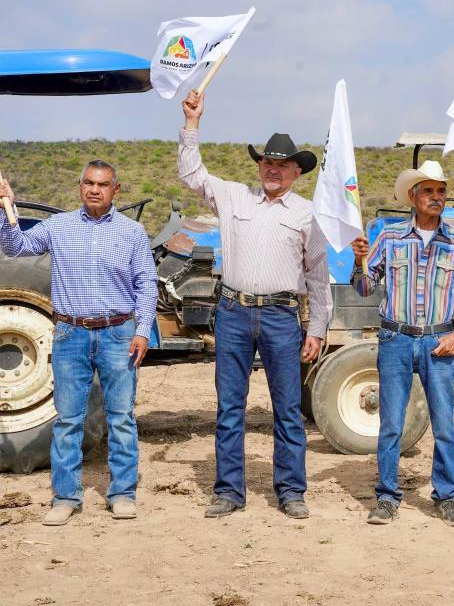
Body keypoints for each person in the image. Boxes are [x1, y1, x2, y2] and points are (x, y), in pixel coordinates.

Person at [179, 90, 331, 520]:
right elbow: (191, 173)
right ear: (259, 165)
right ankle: (229, 491)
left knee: (286, 408)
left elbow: (318, 279)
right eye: (267, 162)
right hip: (233, 312)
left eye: (282, 165)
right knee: (230, 406)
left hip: (282, 317)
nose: (273, 170)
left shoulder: (307, 215)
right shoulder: (232, 197)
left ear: (296, 172)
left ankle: (291, 491)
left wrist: (317, 329)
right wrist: (192, 123)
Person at [0, 161, 156, 525]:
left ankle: (122, 494)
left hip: (118, 334)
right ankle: (66, 498)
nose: (94, 189)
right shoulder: (58, 226)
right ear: (80, 186)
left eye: (102, 184)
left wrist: (143, 329)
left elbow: (147, 283)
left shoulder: (132, 233)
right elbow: (17, 247)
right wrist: (7, 208)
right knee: (68, 420)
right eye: (88, 182)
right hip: (70, 335)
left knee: (121, 418)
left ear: (116, 189)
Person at [349, 161, 454, 527]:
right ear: (413, 196)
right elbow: (364, 287)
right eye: (429, 191)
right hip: (395, 339)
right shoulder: (391, 238)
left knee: (444, 423)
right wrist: (358, 259)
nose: (436, 198)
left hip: (438, 342)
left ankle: (446, 497)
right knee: (391, 422)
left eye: (441, 192)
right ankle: (387, 496)